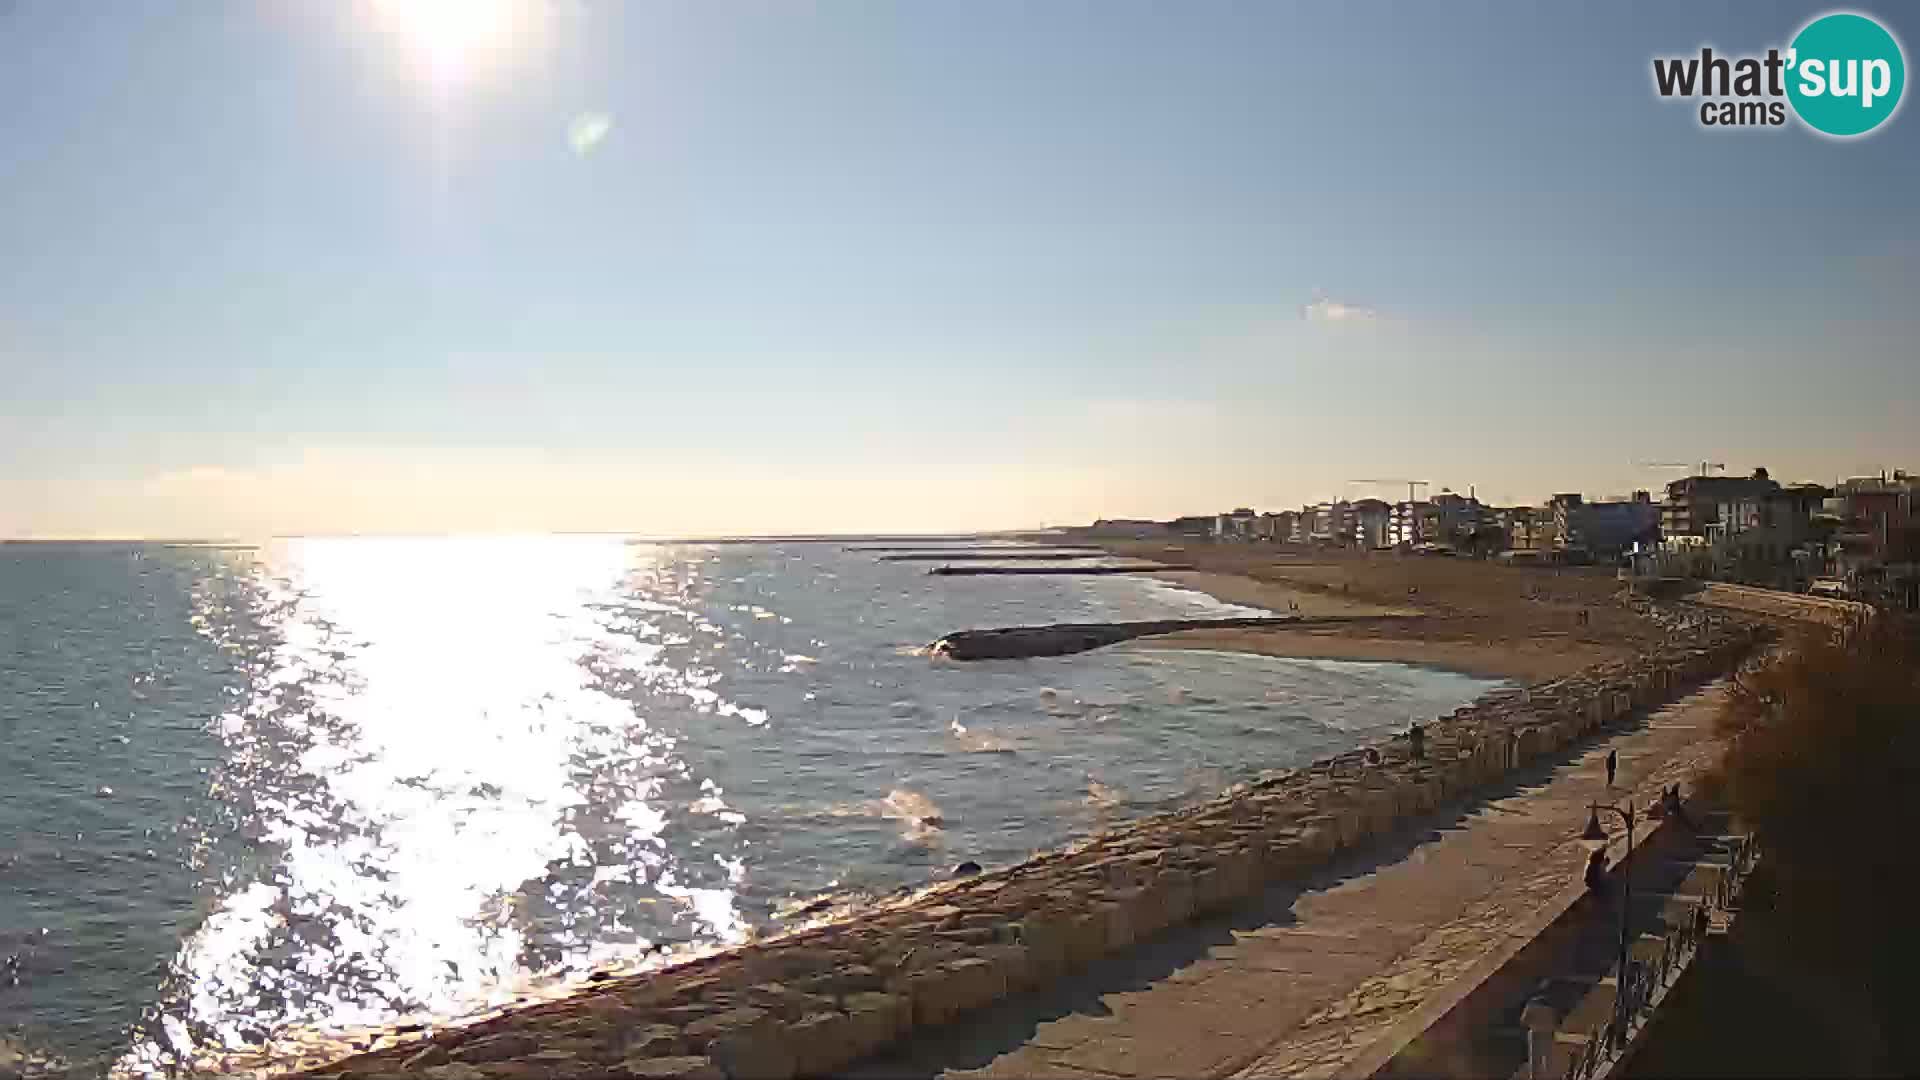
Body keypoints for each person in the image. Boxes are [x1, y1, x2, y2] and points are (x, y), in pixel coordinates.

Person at [1521, 993, 1559, 1079]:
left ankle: (1534, 1077)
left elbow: (1524, 1020)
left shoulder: (1530, 1006)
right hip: (1548, 1033)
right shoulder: (1550, 1008)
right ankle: (1548, 1076)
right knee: (1547, 1057)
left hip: (1535, 1033)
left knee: (1534, 1058)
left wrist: (1532, 1023)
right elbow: (1555, 1022)